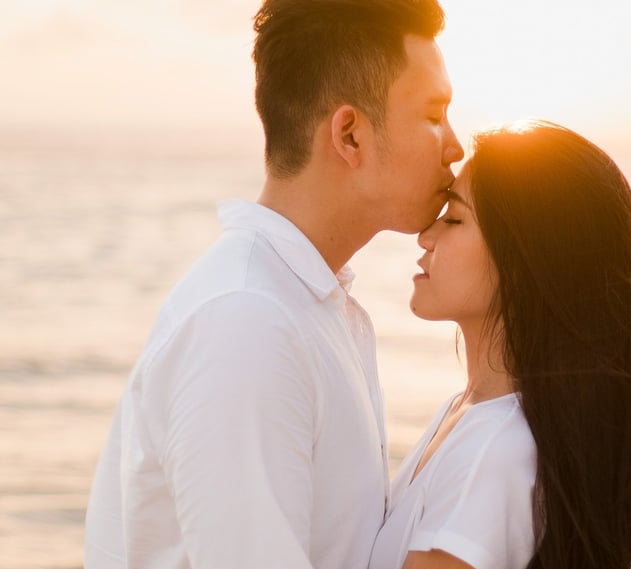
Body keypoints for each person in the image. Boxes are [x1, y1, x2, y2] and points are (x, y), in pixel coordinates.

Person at [84, 0, 464, 567]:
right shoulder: (247, 322)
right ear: (350, 135)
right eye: (434, 115)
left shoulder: (306, 305)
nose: (455, 145)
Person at [369, 120, 631, 569]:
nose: (425, 237)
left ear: (523, 260)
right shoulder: (472, 415)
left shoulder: (494, 451)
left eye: (454, 219)